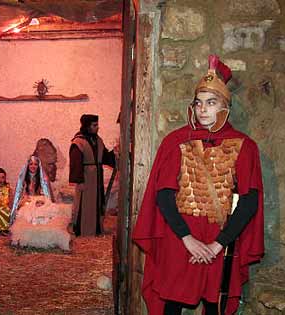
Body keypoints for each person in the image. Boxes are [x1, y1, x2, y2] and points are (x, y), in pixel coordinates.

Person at [132, 55, 264, 315]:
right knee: (172, 302)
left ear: (225, 106)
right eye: (199, 103)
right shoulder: (176, 141)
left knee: (216, 303)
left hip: (220, 238)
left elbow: (249, 202)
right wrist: (187, 238)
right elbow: (164, 195)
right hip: (180, 237)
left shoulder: (244, 146)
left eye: (211, 103)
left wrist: (218, 244)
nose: (203, 109)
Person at [69, 114, 116, 236]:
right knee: (85, 205)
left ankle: (96, 230)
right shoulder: (78, 142)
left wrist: (115, 154)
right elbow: (75, 163)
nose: (97, 127)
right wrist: (80, 181)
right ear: (87, 126)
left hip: (97, 178)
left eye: (97, 125)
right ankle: (83, 231)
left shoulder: (98, 141)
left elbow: (105, 157)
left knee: (97, 204)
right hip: (86, 179)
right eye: (94, 125)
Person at [10, 155, 53, 222]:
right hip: (27, 201)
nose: (33, 166)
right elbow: (19, 194)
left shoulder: (42, 179)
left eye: (35, 164)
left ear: (38, 166)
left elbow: (45, 194)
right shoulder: (23, 178)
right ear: (27, 165)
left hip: (38, 201)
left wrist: (40, 201)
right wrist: (23, 202)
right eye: (31, 164)